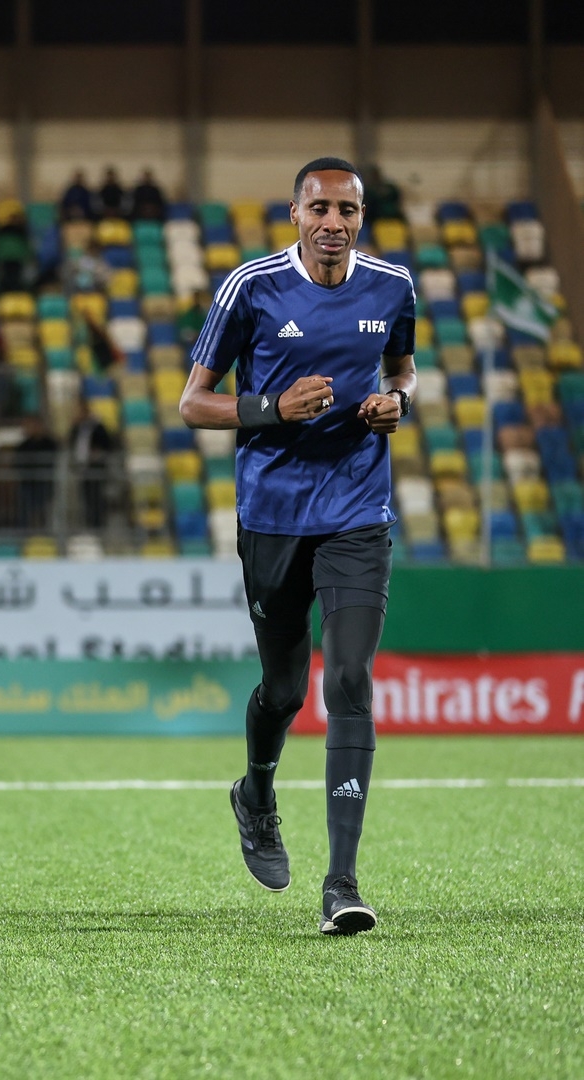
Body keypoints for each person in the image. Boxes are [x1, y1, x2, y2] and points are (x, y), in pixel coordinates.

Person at [179, 157, 416, 936]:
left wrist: (396, 403)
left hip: (357, 511)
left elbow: (404, 371)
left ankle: (341, 882)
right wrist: (272, 408)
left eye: (347, 210)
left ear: (361, 217)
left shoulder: (393, 287)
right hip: (274, 517)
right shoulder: (250, 288)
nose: (333, 223)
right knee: (283, 691)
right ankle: (255, 792)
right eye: (320, 208)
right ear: (295, 215)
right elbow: (193, 404)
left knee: (348, 677)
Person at [69, 399, 114, 528]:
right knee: (86, 495)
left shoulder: (98, 427)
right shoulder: (77, 427)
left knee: (98, 495)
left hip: (96, 466)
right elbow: (71, 441)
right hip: (82, 466)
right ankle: (89, 522)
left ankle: (99, 523)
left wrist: (98, 452)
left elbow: (108, 444)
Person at [15, 416, 58, 529]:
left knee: (43, 509)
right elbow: (17, 461)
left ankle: (43, 532)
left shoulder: (49, 443)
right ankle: (25, 532)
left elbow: (53, 458)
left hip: (43, 481)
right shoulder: (24, 444)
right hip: (28, 482)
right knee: (26, 509)